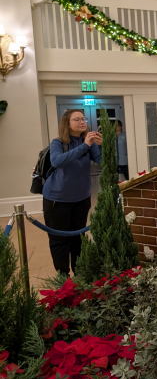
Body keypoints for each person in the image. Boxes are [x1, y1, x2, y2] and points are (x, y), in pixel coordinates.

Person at [43, 110, 102, 276]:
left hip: (81, 198)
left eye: (83, 119)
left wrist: (100, 145)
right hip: (57, 200)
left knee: (78, 238)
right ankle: (62, 277)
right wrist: (85, 146)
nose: (82, 122)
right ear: (67, 124)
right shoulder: (57, 143)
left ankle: (80, 273)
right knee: (59, 240)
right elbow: (57, 161)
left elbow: (101, 162)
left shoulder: (88, 142)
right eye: (77, 119)